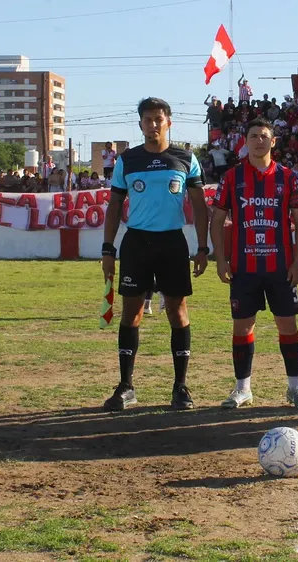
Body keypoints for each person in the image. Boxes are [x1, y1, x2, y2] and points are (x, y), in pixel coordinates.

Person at [101, 98, 209, 412]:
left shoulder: (186, 158)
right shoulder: (128, 160)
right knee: (131, 313)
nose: (153, 125)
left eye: (158, 119)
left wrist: (202, 248)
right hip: (136, 244)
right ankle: (126, 386)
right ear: (140, 125)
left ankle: (180, 386)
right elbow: (114, 207)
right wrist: (108, 249)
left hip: (173, 244)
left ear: (168, 122)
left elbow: (200, 207)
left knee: (177, 313)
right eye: (147, 120)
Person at [210, 119, 298, 409]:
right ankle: (243, 389)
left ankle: (295, 388)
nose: (258, 141)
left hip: (281, 267)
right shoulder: (232, 177)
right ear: (245, 140)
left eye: (264, 136)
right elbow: (217, 220)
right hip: (244, 267)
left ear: (273, 142)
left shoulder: (288, 177)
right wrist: (221, 259)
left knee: (288, 324)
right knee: (242, 326)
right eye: (253, 136)